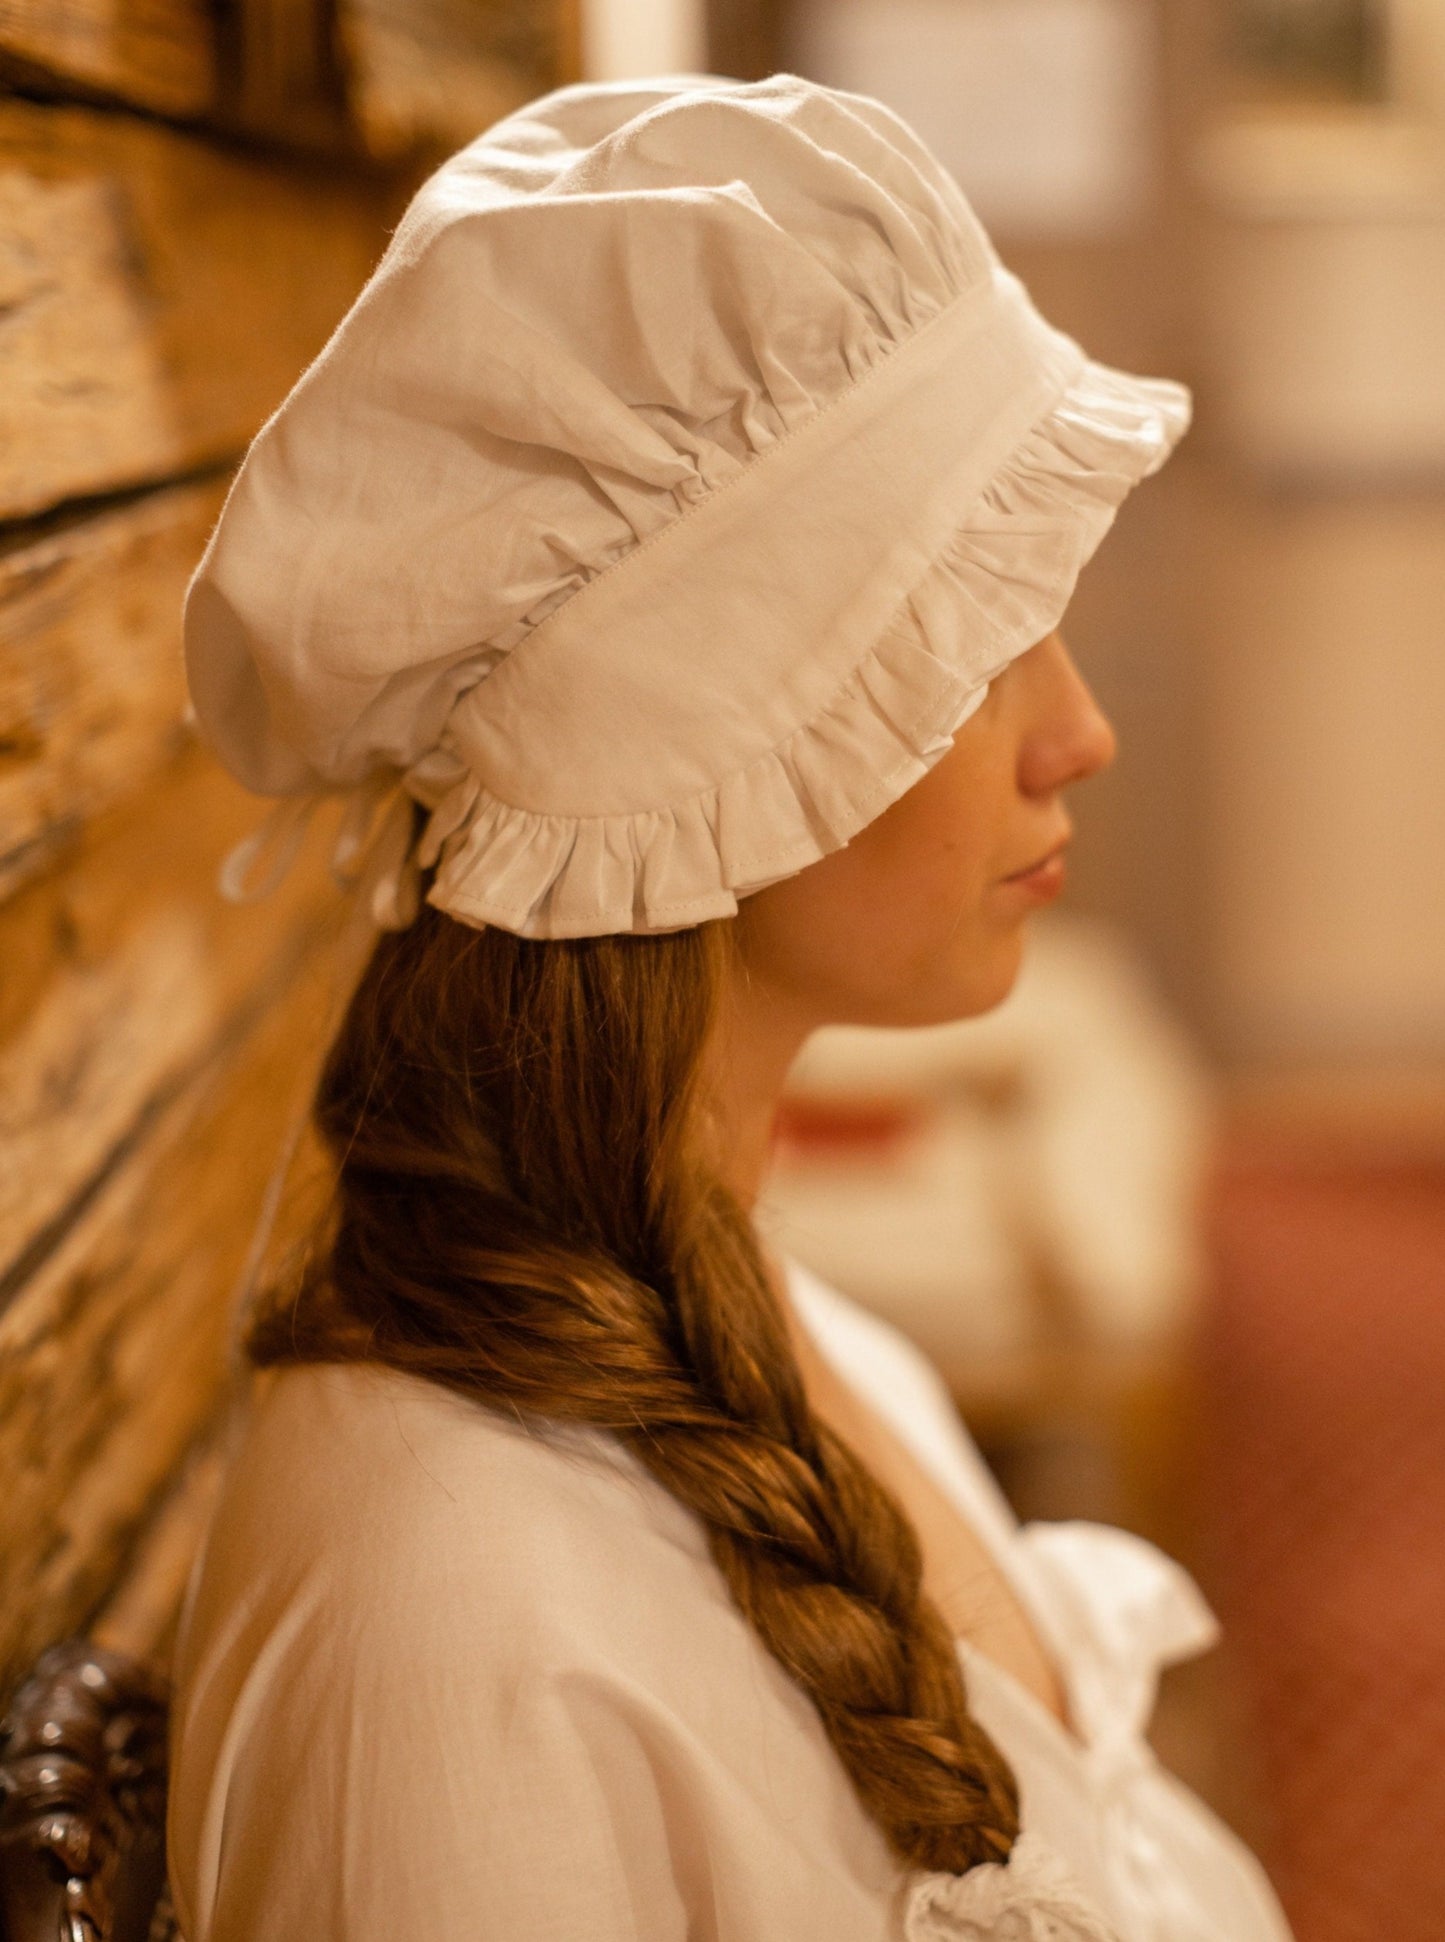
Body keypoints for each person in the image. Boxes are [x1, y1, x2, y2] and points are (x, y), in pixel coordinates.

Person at [169, 73, 1293, 1941]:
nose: (1075, 733)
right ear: (690, 740)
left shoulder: (768, 1307)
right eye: (960, 632)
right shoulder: (447, 1632)